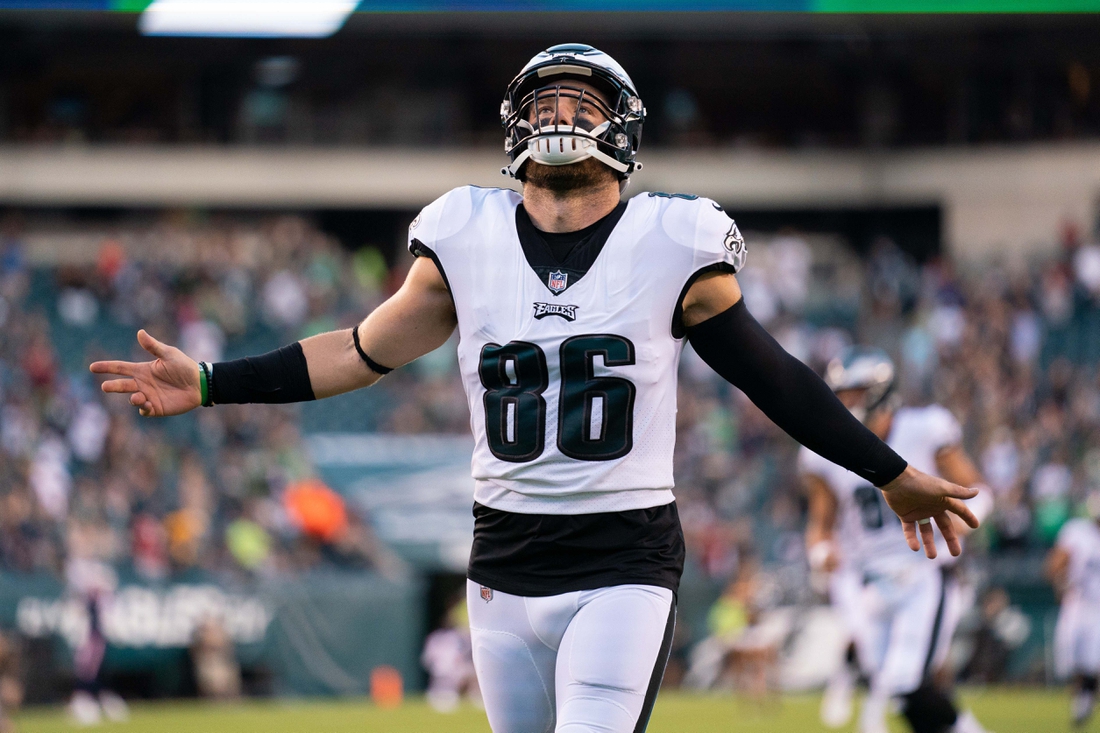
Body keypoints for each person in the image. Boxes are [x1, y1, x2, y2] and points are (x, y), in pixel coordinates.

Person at [91, 44, 979, 733]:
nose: (558, 115)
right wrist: (210, 381)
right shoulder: (465, 233)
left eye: (579, 103)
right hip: (501, 562)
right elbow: (355, 353)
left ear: (621, 130)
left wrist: (887, 467)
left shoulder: (674, 241)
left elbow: (776, 379)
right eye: (544, 101)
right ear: (513, 126)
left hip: (622, 558)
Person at [801, 346, 993, 733]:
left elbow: (978, 490)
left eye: (854, 392)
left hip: (925, 570)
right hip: (872, 584)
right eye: (841, 393)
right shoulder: (823, 451)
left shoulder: (925, 427)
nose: (845, 402)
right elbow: (821, 524)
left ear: (880, 391)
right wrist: (821, 553)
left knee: (907, 685)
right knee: (895, 687)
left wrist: (966, 520)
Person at [1046, 492, 1100, 728]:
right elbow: (1054, 565)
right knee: (1070, 658)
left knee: (1092, 659)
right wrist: (1060, 583)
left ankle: (1084, 700)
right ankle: (1083, 697)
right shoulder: (1078, 531)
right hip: (1078, 603)